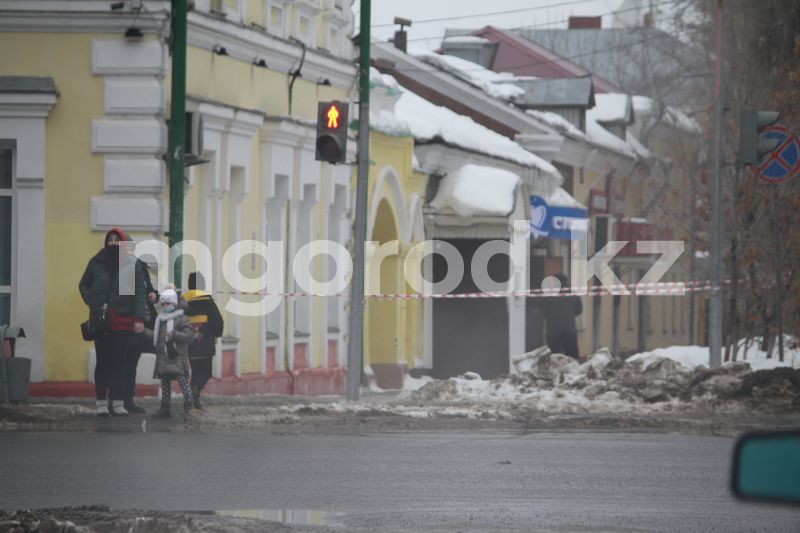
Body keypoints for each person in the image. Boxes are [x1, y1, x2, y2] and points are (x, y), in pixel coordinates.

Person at [79, 227, 146, 417]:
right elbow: (83, 284)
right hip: (101, 321)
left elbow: (139, 294)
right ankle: (101, 401)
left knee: (120, 363)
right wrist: (92, 301)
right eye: (110, 240)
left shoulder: (131, 264)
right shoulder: (96, 262)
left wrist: (139, 318)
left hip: (123, 322)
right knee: (103, 362)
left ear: (123, 243)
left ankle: (118, 402)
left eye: (117, 240)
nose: (113, 243)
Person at [145, 288, 196, 418]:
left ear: (174, 304)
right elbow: (157, 336)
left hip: (177, 357)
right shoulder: (161, 319)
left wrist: (174, 334)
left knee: (183, 382)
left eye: (168, 304)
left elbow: (189, 334)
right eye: (163, 304)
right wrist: (144, 331)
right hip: (164, 357)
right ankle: (165, 408)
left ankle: (190, 405)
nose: (165, 306)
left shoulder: (181, 318)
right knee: (165, 384)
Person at [122, 235, 158, 414]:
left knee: (132, 362)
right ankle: (119, 399)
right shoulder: (119, 268)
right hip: (124, 323)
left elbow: (150, 288)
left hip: (142, 322)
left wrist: (153, 294)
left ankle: (128, 398)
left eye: (131, 248)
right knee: (123, 362)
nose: (129, 251)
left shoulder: (140, 266)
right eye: (126, 248)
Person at [184, 272, 224, 409]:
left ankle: (192, 400)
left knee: (195, 371)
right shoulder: (208, 301)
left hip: (190, 343)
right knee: (206, 371)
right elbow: (217, 322)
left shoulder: (184, 301)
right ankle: (195, 391)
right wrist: (217, 333)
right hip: (205, 343)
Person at [540, 272, 582, 360]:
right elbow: (579, 310)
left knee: (555, 358)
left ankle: (557, 373)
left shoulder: (549, 294)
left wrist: (552, 317)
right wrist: (569, 315)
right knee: (572, 357)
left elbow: (543, 312)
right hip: (570, 331)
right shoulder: (573, 293)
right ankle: (573, 373)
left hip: (553, 332)